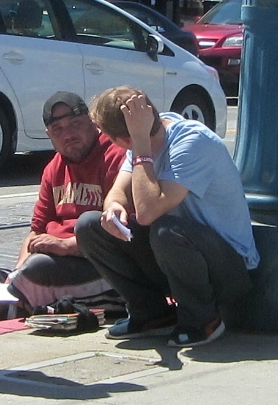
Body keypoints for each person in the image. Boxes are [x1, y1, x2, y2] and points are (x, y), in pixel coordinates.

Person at [76, 86, 259, 348]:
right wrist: (114, 206)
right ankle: (151, 314)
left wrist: (140, 146)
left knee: (164, 229)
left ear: (123, 140)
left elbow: (148, 213)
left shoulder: (192, 143)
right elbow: (119, 190)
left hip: (226, 270)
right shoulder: (144, 135)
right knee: (90, 226)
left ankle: (203, 319)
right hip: (179, 259)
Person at [0, 91, 127, 328]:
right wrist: (18, 270)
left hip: (102, 268)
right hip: (49, 268)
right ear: (49, 136)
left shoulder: (115, 156)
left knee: (35, 271)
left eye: (75, 124)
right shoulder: (54, 168)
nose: (68, 135)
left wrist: (65, 247)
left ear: (93, 124)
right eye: (58, 130)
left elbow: (122, 231)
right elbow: (35, 231)